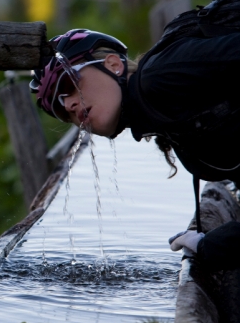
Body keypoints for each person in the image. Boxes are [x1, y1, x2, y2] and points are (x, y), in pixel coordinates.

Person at [29, 28, 240, 271]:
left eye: (68, 83)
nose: (68, 103)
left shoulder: (161, 74)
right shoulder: (164, 119)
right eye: (58, 107)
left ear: (113, 65)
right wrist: (213, 246)